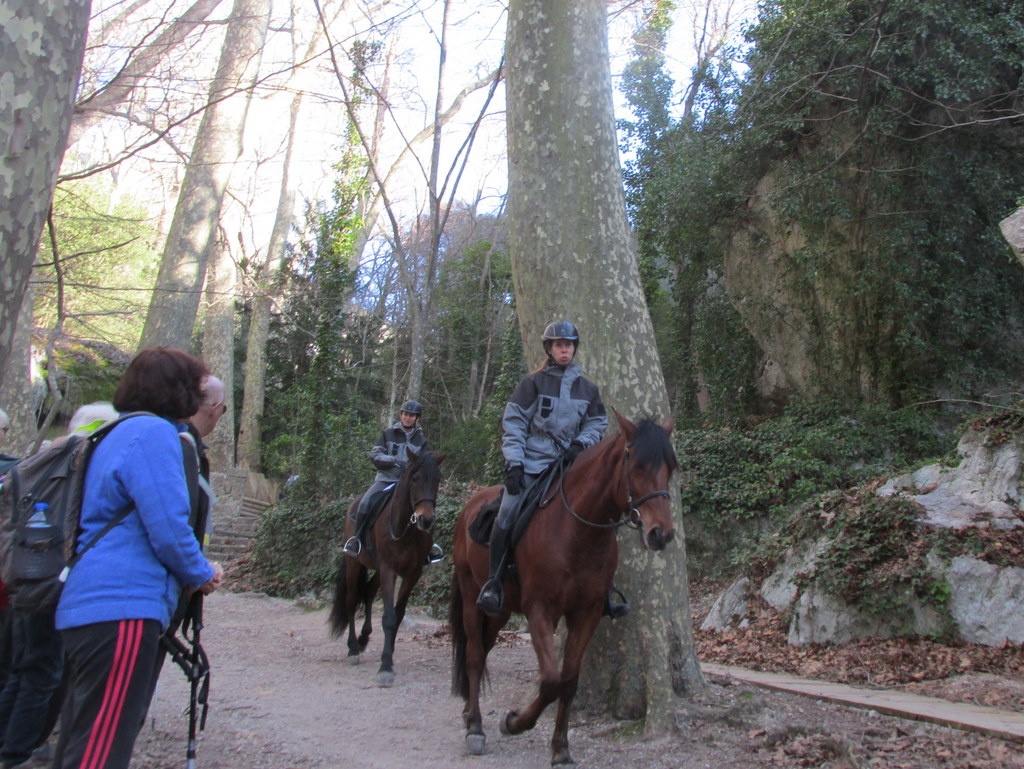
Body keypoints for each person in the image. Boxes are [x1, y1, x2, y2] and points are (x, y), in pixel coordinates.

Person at [52, 347, 223, 769]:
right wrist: (202, 572)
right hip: (123, 606)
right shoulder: (153, 435)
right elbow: (167, 525)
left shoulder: (115, 431)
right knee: (101, 747)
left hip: (88, 605)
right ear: (178, 391)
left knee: (81, 737)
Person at [0, 402, 120, 768]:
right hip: (53, 582)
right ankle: (18, 751)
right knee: (43, 673)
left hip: (22, 575)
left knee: (21, 667)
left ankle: (9, 741)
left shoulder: (39, 462)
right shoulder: (78, 468)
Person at [476, 320, 609, 616]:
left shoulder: (588, 389)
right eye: (559, 345)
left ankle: (605, 588)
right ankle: (495, 582)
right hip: (533, 464)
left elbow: (598, 422)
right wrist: (514, 464)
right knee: (507, 513)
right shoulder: (532, 384)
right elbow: (514, 424)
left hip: (570, 467)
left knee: (602, 510)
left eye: (569, 345)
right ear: (549, 349)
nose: (565, 349)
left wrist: (581, 444)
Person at [342, 400, 432, 558]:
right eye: (405, 414)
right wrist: (393, 461)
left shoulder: (422, 441)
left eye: (411, 416)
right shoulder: (389, 434)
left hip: (410, 485)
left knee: (428, 508)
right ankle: (356, 540)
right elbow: (375, 454)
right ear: (401, 415)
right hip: (386, 480)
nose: (407, 418)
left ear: (417, 418)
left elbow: (427, 461)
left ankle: (429, 548)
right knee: (364, 503)